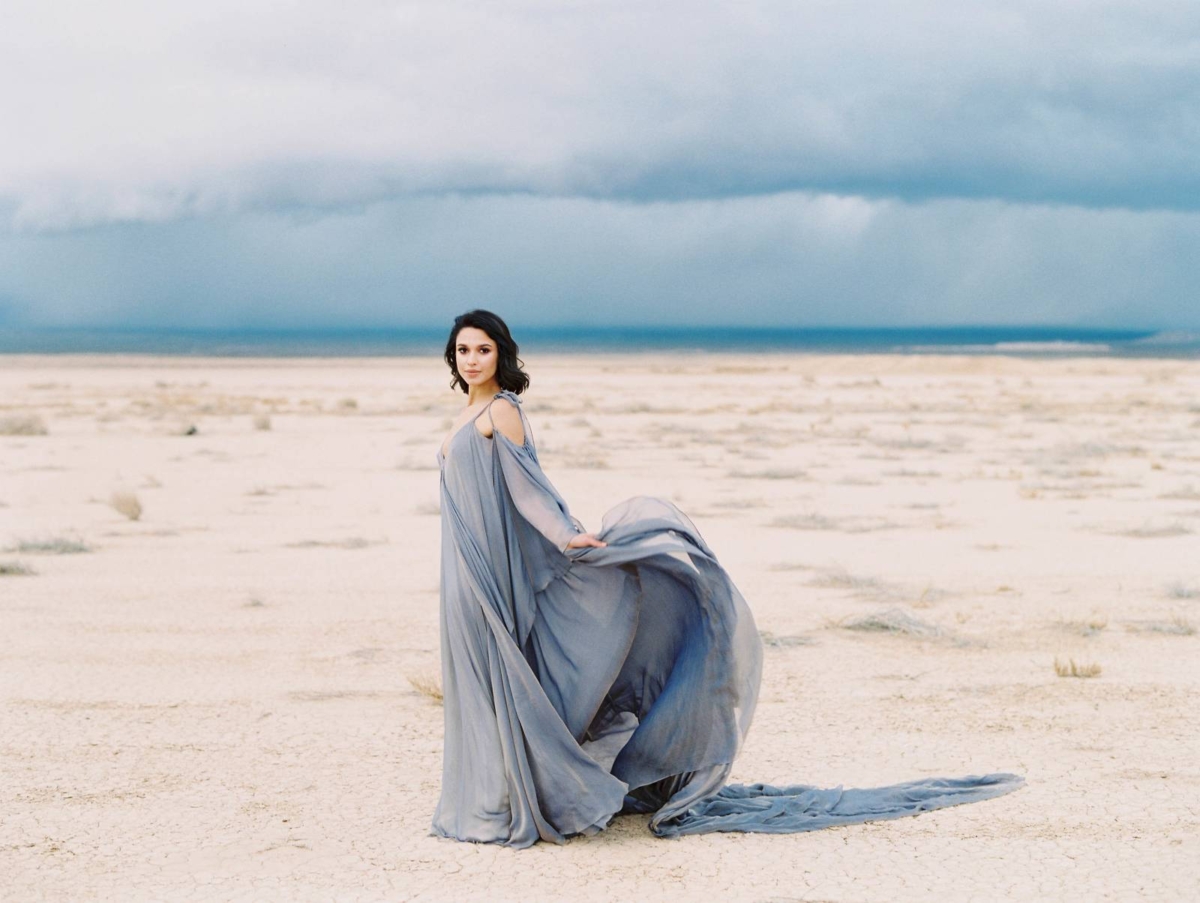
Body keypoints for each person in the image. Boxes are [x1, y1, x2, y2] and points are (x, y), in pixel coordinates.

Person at [430, 309, 1023, 849]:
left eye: (483, 349)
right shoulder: (467, 411)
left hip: (487, 572)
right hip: (464, 562)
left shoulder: (500, 410)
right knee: (479, 677)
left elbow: (528, 491)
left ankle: (514, 802)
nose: (472, 359)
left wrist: (565, 536)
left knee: (499, 674)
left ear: (501, 355)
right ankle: (495, 796)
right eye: (463, 351)